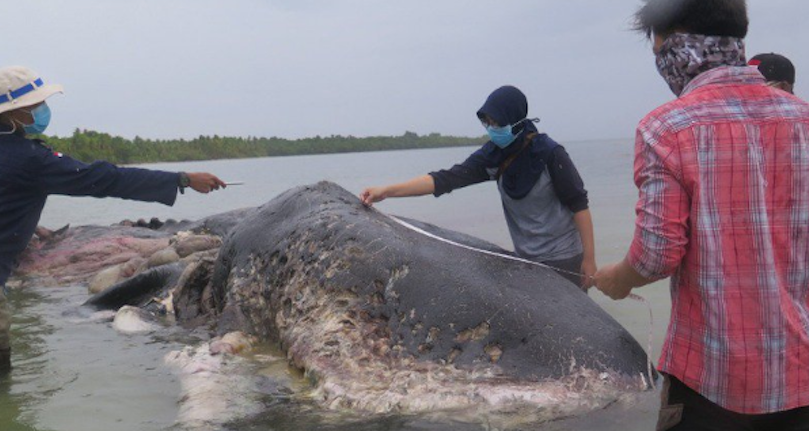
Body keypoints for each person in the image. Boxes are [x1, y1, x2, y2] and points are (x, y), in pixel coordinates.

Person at [593, 1, 809, 430]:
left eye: (659, 51)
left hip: (711, 376)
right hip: (800, 370)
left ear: (677, 45)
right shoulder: (802, 118)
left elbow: (657, 256)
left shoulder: (667, 128)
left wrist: (614, 280)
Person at [0, 66, 227, 372]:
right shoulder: (29, 160)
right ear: (15, 112)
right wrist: (181, 179)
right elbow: (105, 179)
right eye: (34, 106)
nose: (41, 110)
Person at [360, 86, 596, 289]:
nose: (491, 129)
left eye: (496, 122)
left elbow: (579, 205)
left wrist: (589, 259)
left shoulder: (550, 154)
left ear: (514, 120)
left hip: (565, 259)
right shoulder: (493, 155)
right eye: (487, 123)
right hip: (527, 260)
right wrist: (386, 191)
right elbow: (444, 179)